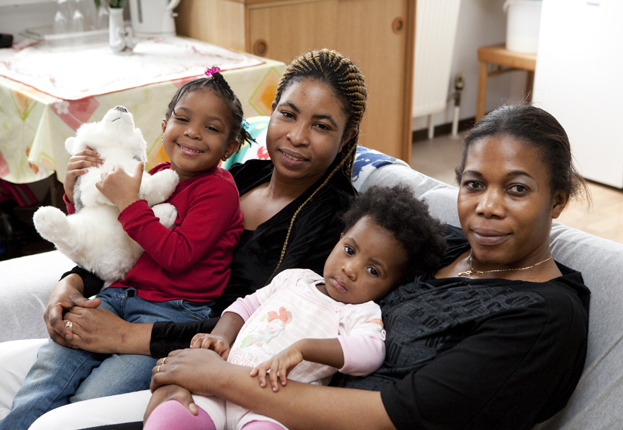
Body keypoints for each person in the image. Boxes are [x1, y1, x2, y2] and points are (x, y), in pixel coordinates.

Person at [141, 104, 591, 430]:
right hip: (252, 395)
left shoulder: (543, 316)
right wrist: (193, 366)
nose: (488, 207)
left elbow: (388, 415)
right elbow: (289, 302)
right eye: (474, 184)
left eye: (516, 189)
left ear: (556, 200)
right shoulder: (443, 248)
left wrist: (221, 377)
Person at [0, 49, 367, 428]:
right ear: (272, 111)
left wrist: (128, 337)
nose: (297, 136)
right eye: (288, 114)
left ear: (347, 135)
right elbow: (137, 239)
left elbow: (268, 327)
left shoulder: (339, 221)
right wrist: (72, 283)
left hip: (184, 363)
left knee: (60, 419)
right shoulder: (242, 175)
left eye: (321, 126)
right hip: (122, 310)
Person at [0, 67, 252, 429]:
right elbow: (108, 239)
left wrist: (129, 203)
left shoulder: (219, 190)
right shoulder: (157, 174)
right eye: (182, 119)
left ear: (229, 146)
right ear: (164, 125)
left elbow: (177, 256)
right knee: (45, 380)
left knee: (92, 401)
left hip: (172, 314)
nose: (193, 132)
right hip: (117, 296)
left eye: (211, 128)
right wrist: (73, 195)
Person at [144, 185, 447, 430]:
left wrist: (304, 348)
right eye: (350, 250)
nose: (351, 269)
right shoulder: (295, 279)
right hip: (217, 386)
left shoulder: (363, 312)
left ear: (392, 285)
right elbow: (246, 306)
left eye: (373, 271)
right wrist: (222, 336)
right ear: (339, 240)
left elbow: (370, 352)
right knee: (173, 417)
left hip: (270, 412)